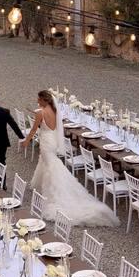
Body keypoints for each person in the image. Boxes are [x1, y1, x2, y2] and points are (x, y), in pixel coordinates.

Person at [22, 90, 119, 227]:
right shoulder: (54, 110)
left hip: (46, 141)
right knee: (49, 162)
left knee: (51, 166)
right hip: (52, 141)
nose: (37, 101)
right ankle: (41, 185)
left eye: (39, 99)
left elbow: (33, 130)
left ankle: (55, 194)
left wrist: (26, 141)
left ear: (44, 100)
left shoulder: (40, 113)